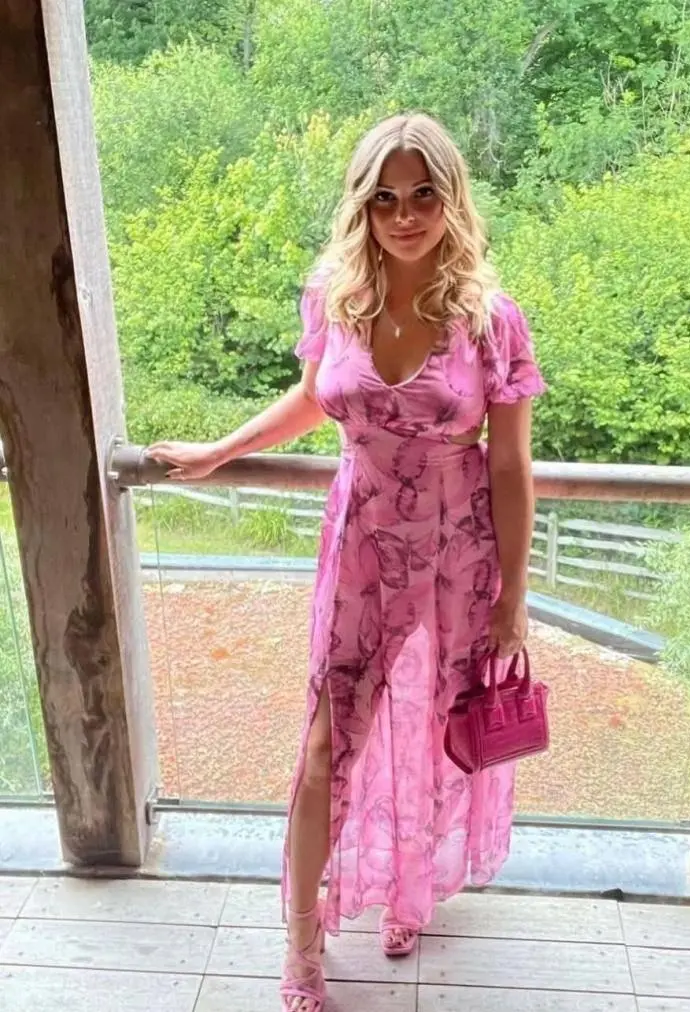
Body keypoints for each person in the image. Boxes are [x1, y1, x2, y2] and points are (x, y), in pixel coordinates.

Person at [148, 112, 545, 1012]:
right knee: (330, 742)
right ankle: (301, 945)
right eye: (385, 198)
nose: (405, 215)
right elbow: (311, 398)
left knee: (440, 730)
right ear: (362, 205)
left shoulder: (491, 320)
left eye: (424, 194)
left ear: (452, 198)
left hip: (458, 551)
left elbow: (510, 465)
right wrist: (220, 450)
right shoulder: (334, 295)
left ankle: (408, 895)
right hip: (361, 542)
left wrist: (513, 596)